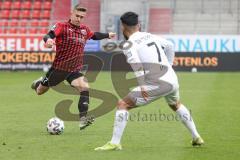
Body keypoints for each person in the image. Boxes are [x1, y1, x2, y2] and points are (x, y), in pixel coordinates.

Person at [95, 12, 204, 151]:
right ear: (138, 25)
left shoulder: (128, 44)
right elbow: (170, 45)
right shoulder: (149, 35)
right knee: (175, 104)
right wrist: (169, 65)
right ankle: (196, 137)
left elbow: (136, 64)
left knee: (123, 104)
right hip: (172, 78)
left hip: (157, 83)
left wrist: (142, 85)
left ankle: (115, 143)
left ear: (123, 27)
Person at [31, 4, 116, 130]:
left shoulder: (84, 30)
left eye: (82, 17)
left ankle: (82, 119)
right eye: (77, 15)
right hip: (59, 69)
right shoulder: (62, 26)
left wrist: (107, 35)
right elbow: (49, 35)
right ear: (71, 13)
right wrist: (48, 41)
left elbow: (94, 35)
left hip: (74, 70)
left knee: (85, 87)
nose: (79, 19)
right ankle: (39, 83)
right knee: (40, 91)